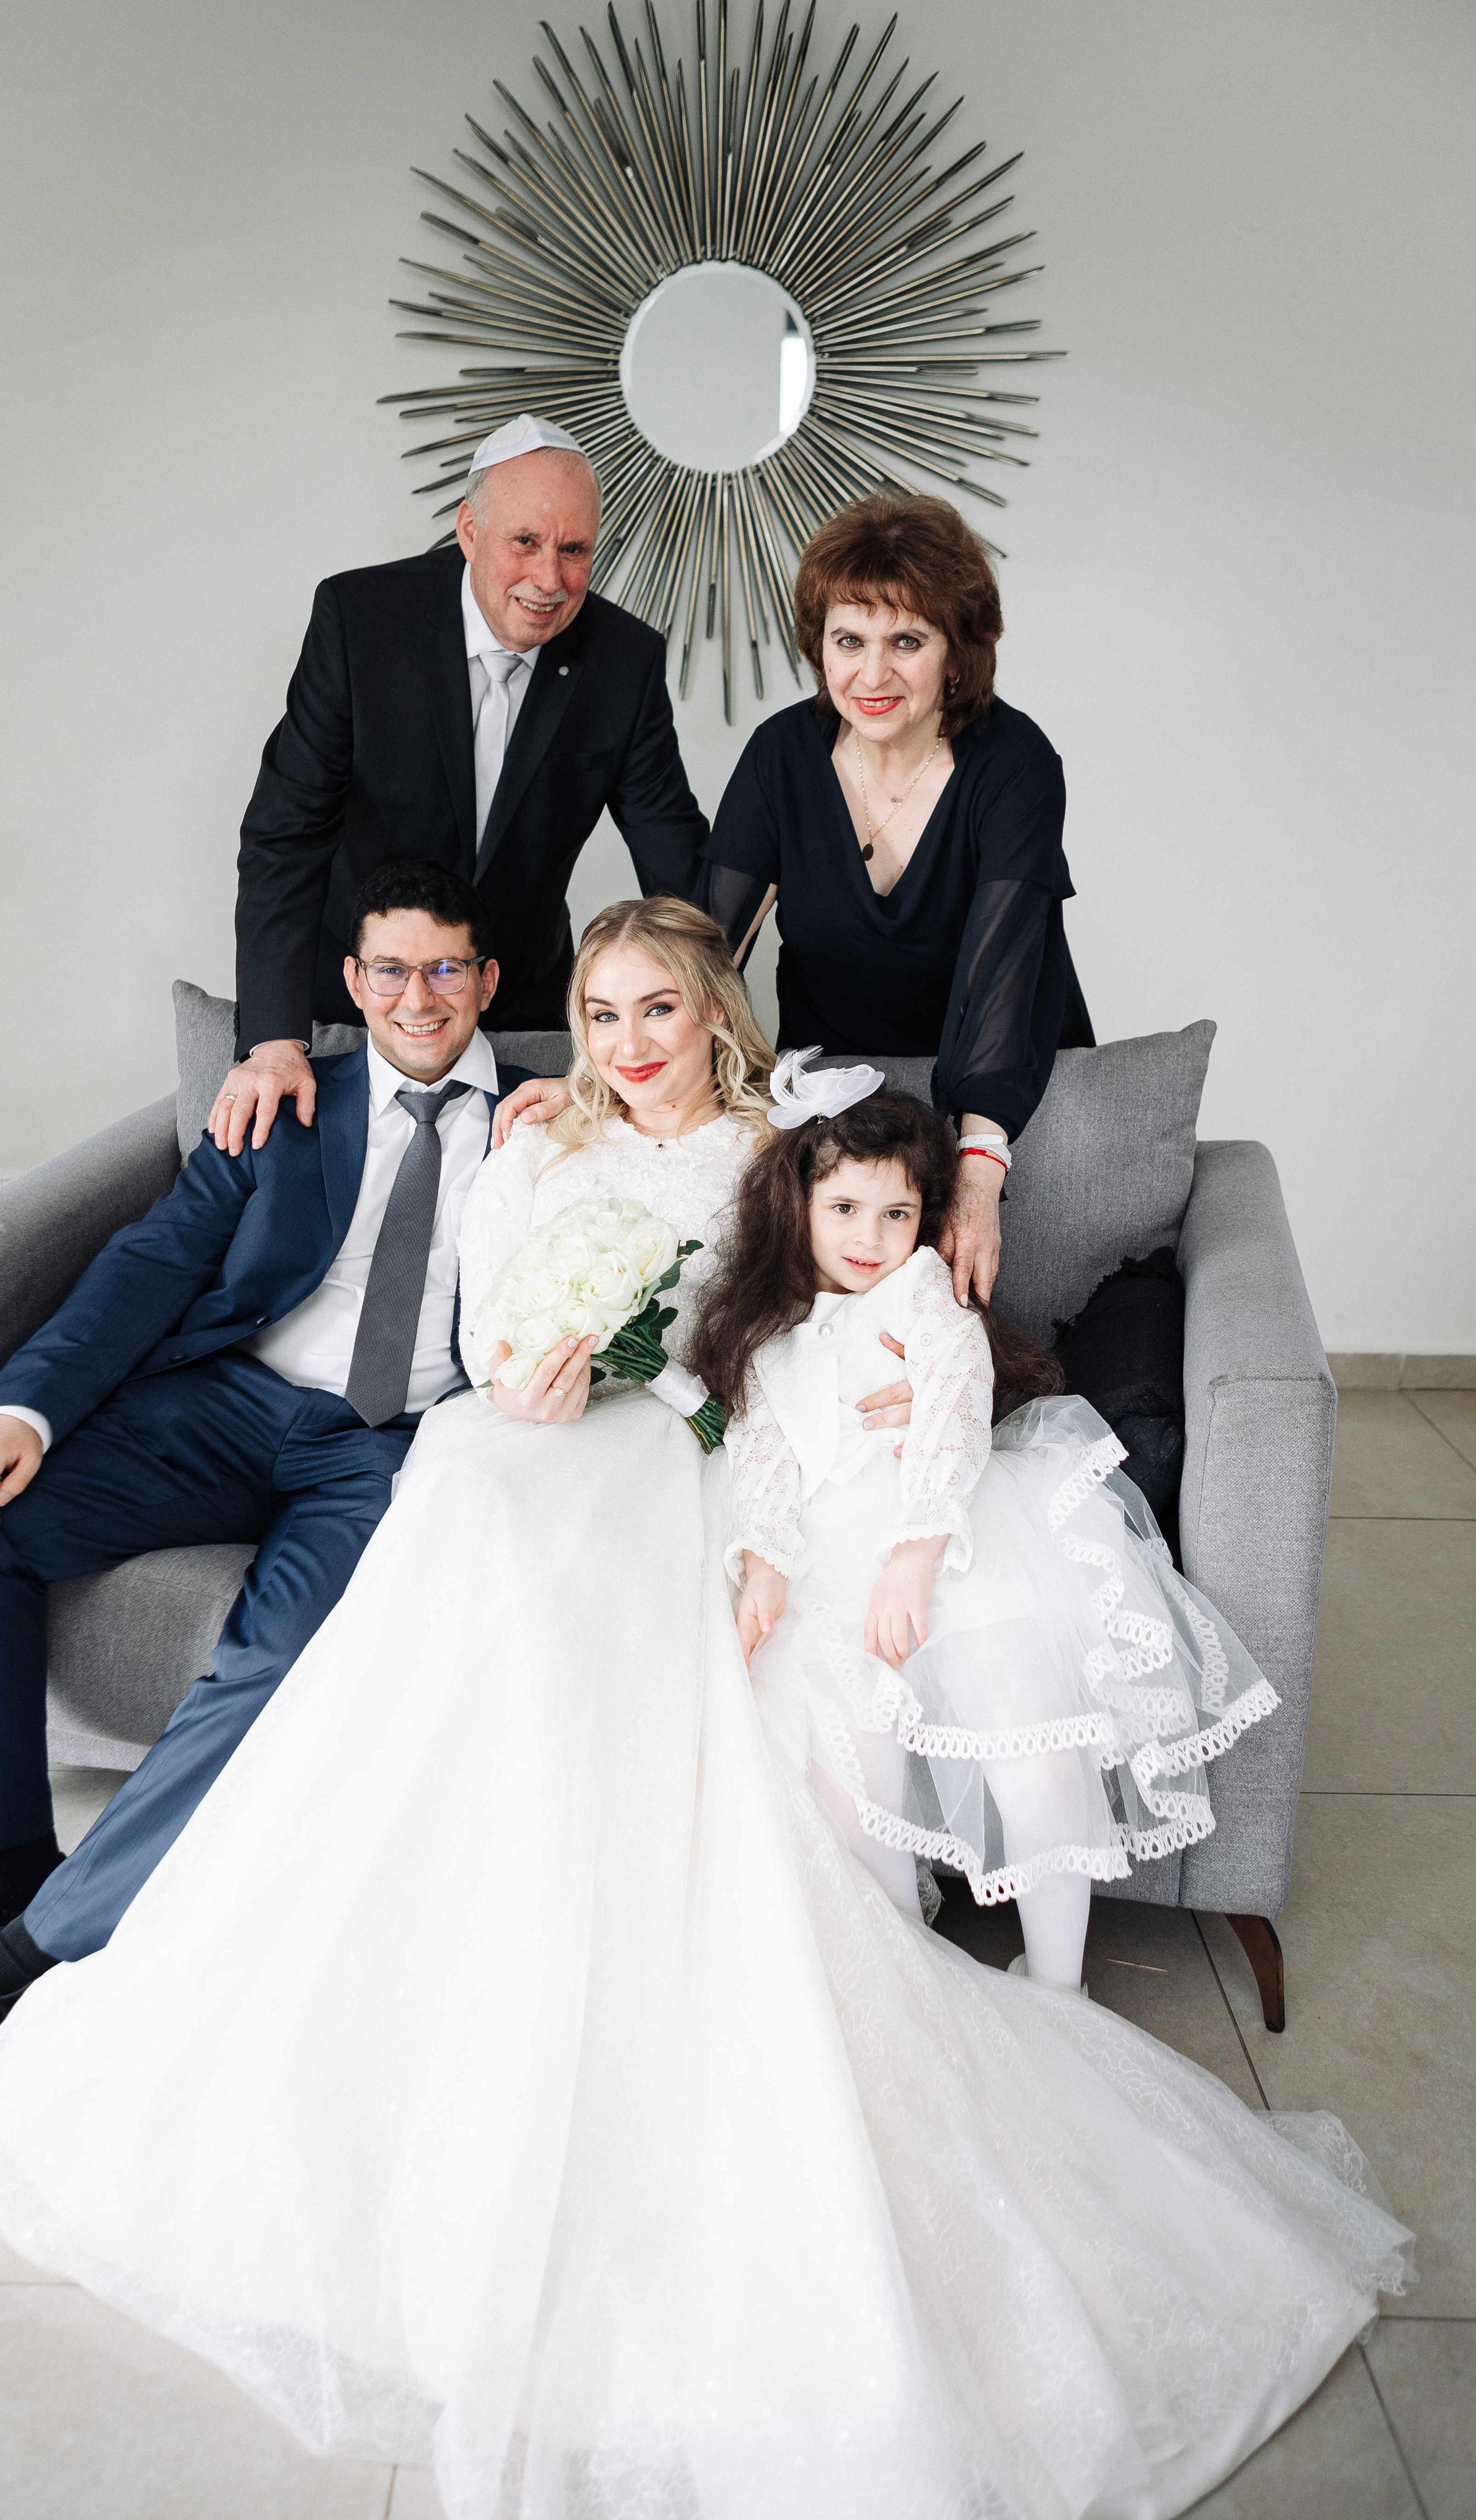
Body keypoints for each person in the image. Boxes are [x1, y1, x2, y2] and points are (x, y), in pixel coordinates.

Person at [0, 913, 1406, 2520]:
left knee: (567, 1550)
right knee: (469, 1507)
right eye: (599, 1011)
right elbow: (482, 1334)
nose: (625, 1041)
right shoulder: (532, 1142)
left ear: (714, 1014)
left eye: (659, 1010)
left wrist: (857, 1368)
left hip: (673, 1458)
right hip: (511, 1440)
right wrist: (524, 1372)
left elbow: (815, 1305)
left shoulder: (778, 1142)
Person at [0, 861, 537, 2180]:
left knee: (270, 1665)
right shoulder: (288, 1105)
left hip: (387, 1450)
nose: (416, 996)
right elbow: (151, 1260)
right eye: (389, 969)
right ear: (350, 981)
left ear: (488, 981)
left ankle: (16, 1977)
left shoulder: (547, 1122)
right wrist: (17, 1416)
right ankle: (0, 1875)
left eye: (446, 969)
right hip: (233, 1402)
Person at [688, 1055, 1282, 1993]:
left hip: (956, 1537)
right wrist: (762, 1564)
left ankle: (1059, 1982)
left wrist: (916, 1555)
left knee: (1034, 1752)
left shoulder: (922, 1292)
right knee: (846, 1774)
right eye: (843, 1210)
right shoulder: (771, 1329)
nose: (872, 1238)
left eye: (897, 1213)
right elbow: (763, 1454)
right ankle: (904, 1970)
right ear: (796, 1206)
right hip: (824, 1555)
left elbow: (960, 1413)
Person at [214, 412, 708, 1156]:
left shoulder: (623, 660)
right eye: (526, 543)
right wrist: (275, 1040)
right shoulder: (361, 621)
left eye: (574, 550)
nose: (550, 579)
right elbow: (286, 834)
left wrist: (711, 1019)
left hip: (519, 1005)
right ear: (469, 531)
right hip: (364, 999)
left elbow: (675, 860)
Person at [699, 490, 1096, 1308]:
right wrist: (599, 1069)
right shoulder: (782, 754)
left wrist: (979, 1175)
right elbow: (704, 950)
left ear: (956, 654)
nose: (871, 675)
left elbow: (1006, 962)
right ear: (819, 646)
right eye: (849, 640)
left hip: (1001, 1085)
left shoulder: (1014, 763)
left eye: (906, 641)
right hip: (838, 1090)